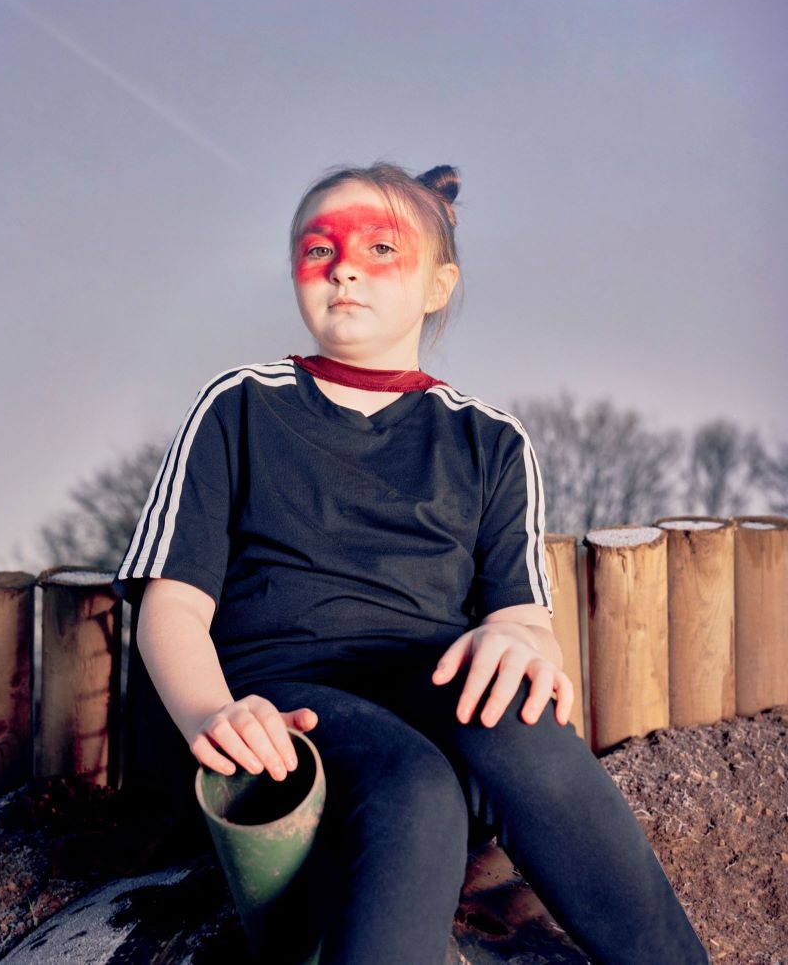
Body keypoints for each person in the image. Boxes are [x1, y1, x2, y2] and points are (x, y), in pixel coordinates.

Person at [112, 162, 709, 965]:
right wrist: (213, 715)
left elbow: (523, 616)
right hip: (283, 716)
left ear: (437, 284)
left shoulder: (489, 438)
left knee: (519, 716)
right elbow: (172, 603)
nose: (345, 266)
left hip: (428, 697)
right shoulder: (241, 404)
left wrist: (517, 644)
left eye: (380, 246)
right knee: (412, 785)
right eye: (319, 247)